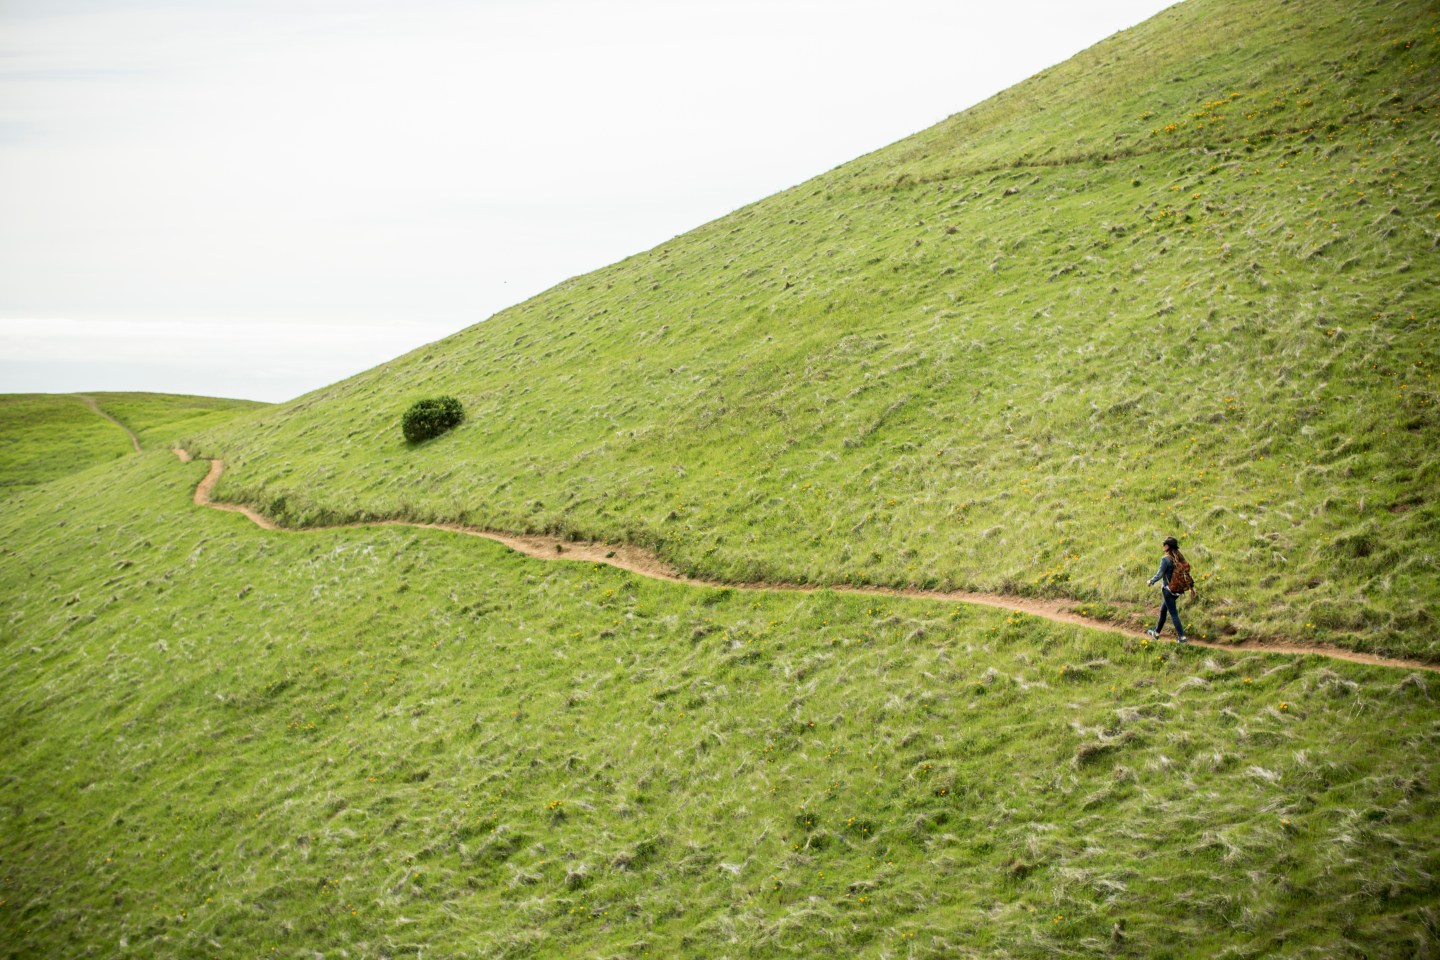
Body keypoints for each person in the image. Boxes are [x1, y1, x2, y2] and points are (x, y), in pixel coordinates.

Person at [1145, 536, 1189, 644]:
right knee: (1163, 610)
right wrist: (1191, 588)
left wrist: (1151, 581)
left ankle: (1182, 638)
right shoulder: (1179, 558)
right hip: (1177, 591)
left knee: (1173, 613)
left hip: (1168, 590)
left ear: (1168, 546)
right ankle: (1156, 633)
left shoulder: (1165, 559)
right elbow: (1186, 574)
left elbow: (1159, 574)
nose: (1163, 546)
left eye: (1164, 544)